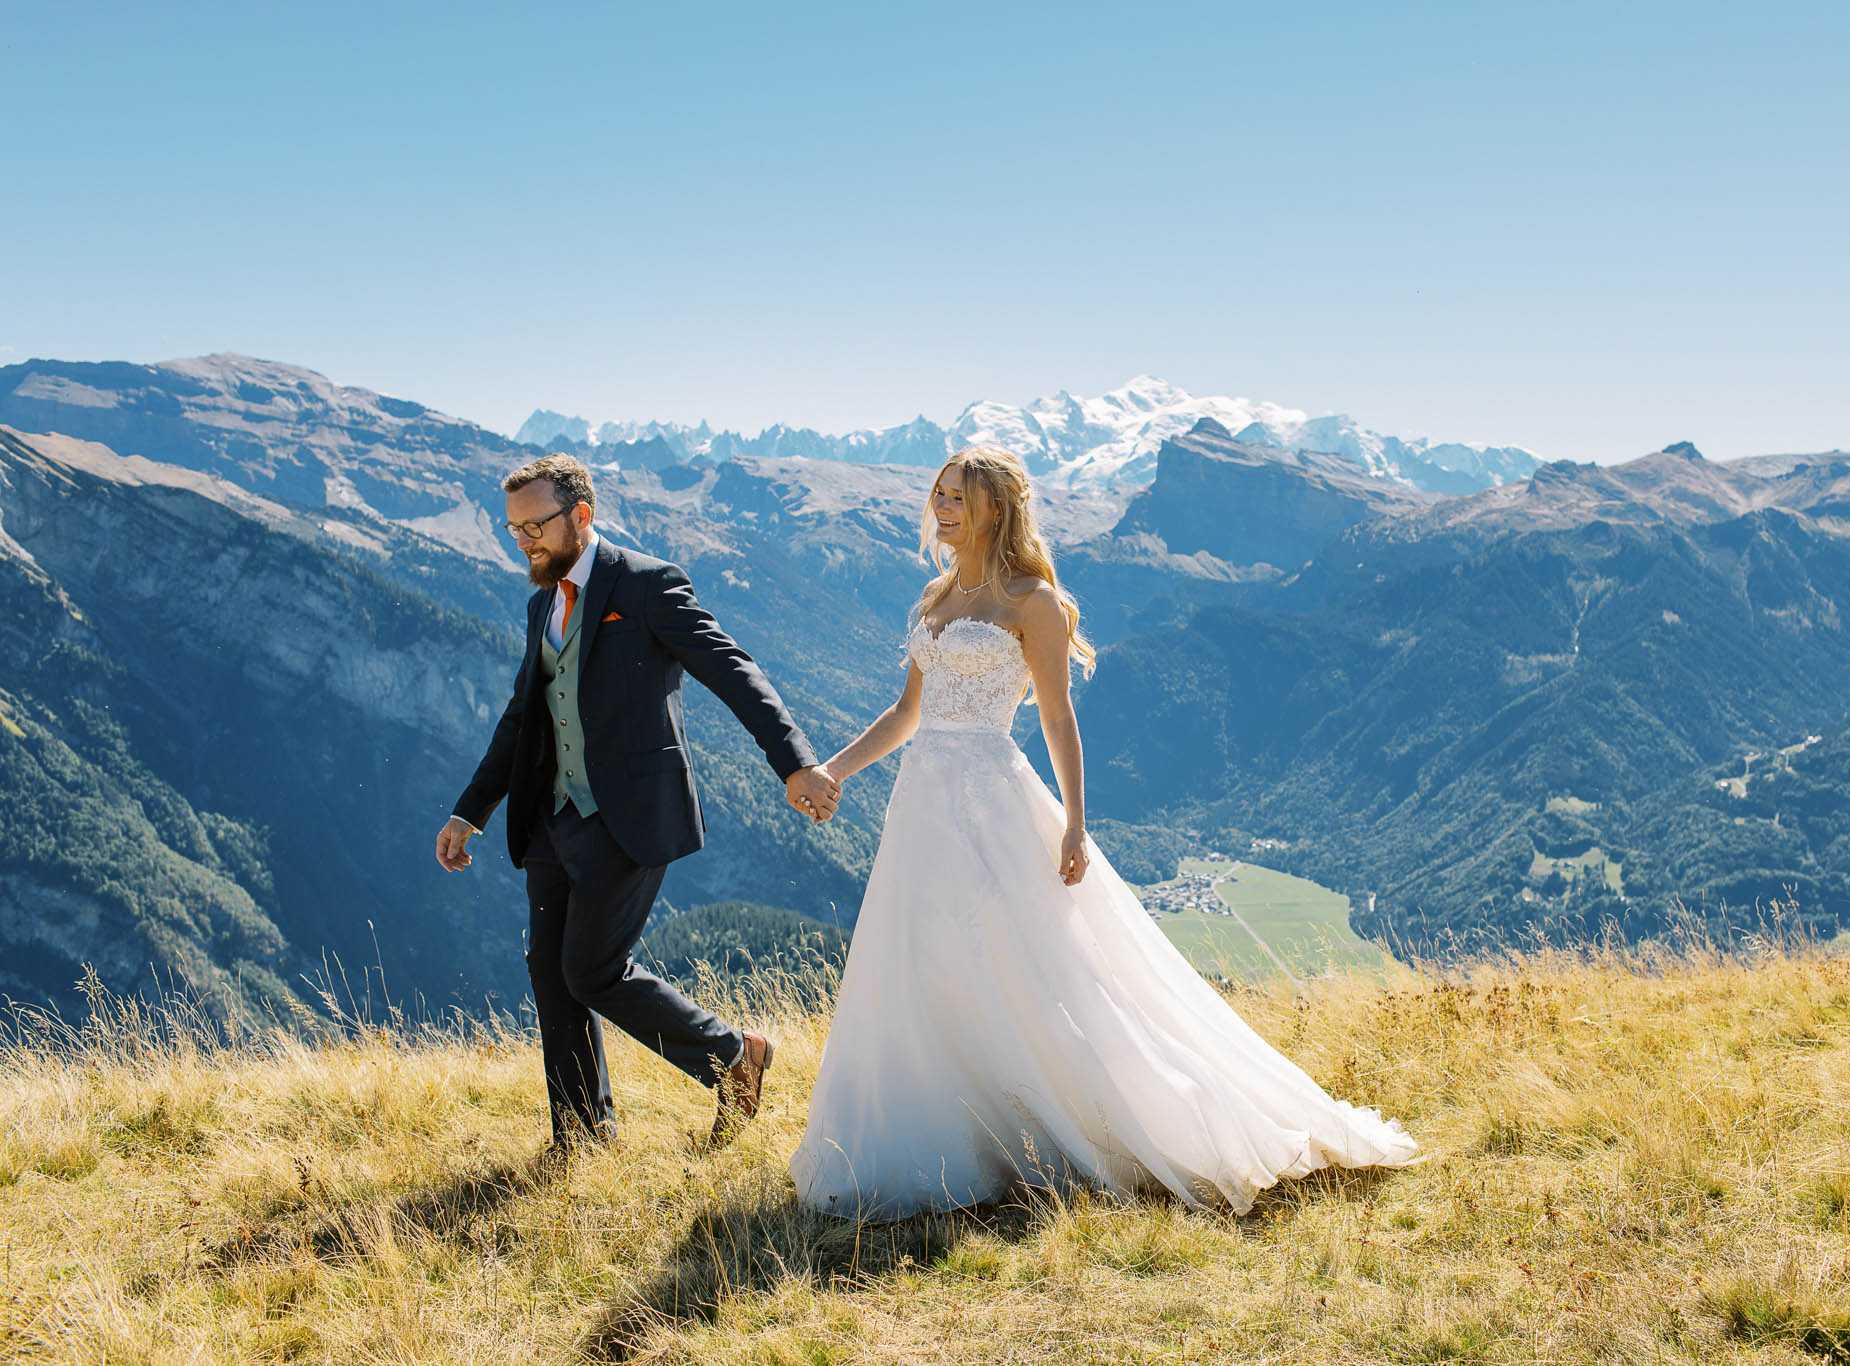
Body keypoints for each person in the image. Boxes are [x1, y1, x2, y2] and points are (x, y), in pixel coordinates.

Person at [789, 445, 1420, 1219]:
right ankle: (955, 1136)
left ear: (994, 507)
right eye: (938, 494)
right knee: (930, 963)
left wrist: (1076, 824)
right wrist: (833, 770)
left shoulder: (1035, 603)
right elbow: (906, 714)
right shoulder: (935, 594)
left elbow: (1057, 716)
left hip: (994, 798)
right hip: (921, 801)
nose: (941, 508)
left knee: (1031, 968)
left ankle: (1077, 1124)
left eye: (957, 496)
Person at [435, 453, 841, 1155]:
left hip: (628, 814)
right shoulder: (542, 603)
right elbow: (522, 717)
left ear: (581, 516)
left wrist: (795, 762)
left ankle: (733, 1056)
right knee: (552, 976)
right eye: (513, 530)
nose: (524, 541)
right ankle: (582, 1135)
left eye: (535, 526)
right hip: (550, 820)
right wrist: (470, 810)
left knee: (592, 969)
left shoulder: (646, 585)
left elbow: (732, 668)